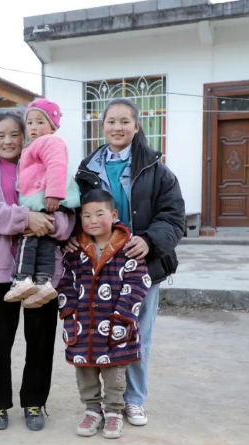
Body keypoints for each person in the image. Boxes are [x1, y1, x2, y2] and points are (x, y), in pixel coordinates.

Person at [67, 97, 185, 427]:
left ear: (136, 126)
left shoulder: (156, 171)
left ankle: (133, 400)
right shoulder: (86, 171)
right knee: (97, 332)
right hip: (96, 268)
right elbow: (72, 211)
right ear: (102, 126)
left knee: (136, 334)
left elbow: (173, 217)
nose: (117, 127)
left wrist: (149, 240)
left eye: (124, 121)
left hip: (140, 266)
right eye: (111, 121)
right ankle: (103, 404)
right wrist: (70, 236)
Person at [0, 112, 75, 431]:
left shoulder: (45, 163)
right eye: (1, 135)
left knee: (41, 341)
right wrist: (27, 218)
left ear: (25, 136)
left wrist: (51, 224)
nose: (8, 141)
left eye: (15, 134)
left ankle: (34, 403)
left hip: (43, 273)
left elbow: (68, 211)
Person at [58, 189, 150, 439]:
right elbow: (65, 283)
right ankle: (92, 410)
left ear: (114, 214)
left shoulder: (128, 248)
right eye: (86, 216)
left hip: (115, 325)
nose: (93, 221)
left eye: (100, 214)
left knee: (114, 374)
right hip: (82, 325)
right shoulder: (74, 250)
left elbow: (138, 282)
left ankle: (113, 412)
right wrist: (69, 312)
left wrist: (122, 316)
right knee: (85, 371)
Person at [3, 99, 80, 308]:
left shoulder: (49, 142)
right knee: (45, 240)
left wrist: (54, 193)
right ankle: (44, 281)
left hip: (44, 198)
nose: (33, 127)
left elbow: (57, 165)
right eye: (29, 123)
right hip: (47, 198)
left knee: (27, 237)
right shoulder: (38, 144)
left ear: (52, 127)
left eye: (40, 122)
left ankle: (22, 278)